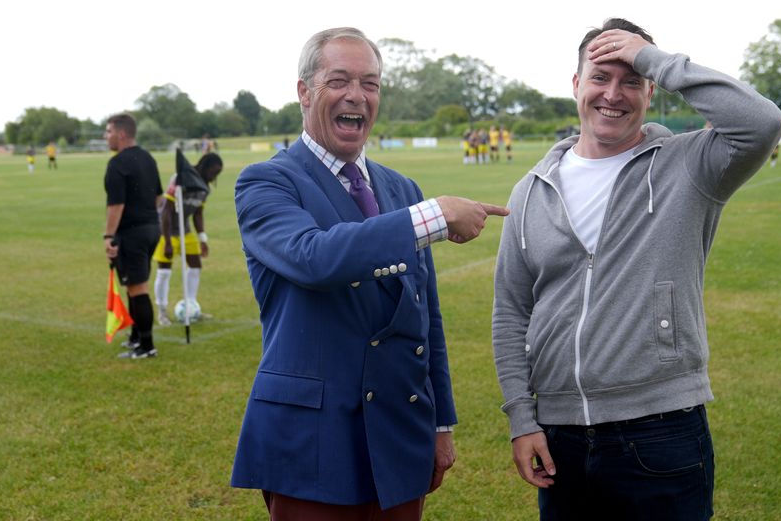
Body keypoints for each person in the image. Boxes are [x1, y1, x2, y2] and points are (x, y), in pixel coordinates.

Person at [492, 18, 781, 520]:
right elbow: (511, 311)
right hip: (559, 434)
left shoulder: (689, 165)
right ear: (576, 84)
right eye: (601, 77)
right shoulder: (532, 189)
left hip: (661, 429)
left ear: (652, 91)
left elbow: (762, 123)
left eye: (631, 81)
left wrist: (654, 57)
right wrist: (522, 418)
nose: (614, 94)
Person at [231, 27, 509, 520]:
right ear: (304, 92)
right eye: (338, 81)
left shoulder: (401, 187)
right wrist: (434, 216)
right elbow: (312, 257)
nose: (356, 95)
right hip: (313, 442)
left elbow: (426, 317)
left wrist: (441, 421)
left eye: (371, 83)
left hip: (400, 433)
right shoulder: (267, 181)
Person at [103, 113, 163, 360]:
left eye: (108, 132)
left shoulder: (117, 163)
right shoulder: (147, 157)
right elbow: (159, 198)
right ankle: (136, 337)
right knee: (131, 285)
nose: (106, 137)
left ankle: (146, 346)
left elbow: (116, 206)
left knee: (138, 288)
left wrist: (108, 236)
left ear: (122, 133)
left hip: (133, 234)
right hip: (151, 230)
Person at [152, 153, 224, 326]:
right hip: (166, 230)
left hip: (186, 230)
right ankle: (162, 312)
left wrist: (202, 239)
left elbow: (197, 214)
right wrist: (168, 241)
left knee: (195, 265)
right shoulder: (181, 178)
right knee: (164, 271)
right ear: (204, 166)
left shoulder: (204, 188)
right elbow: (167, 210)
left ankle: (191, 306)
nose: (214, 177)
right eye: (213, 172)